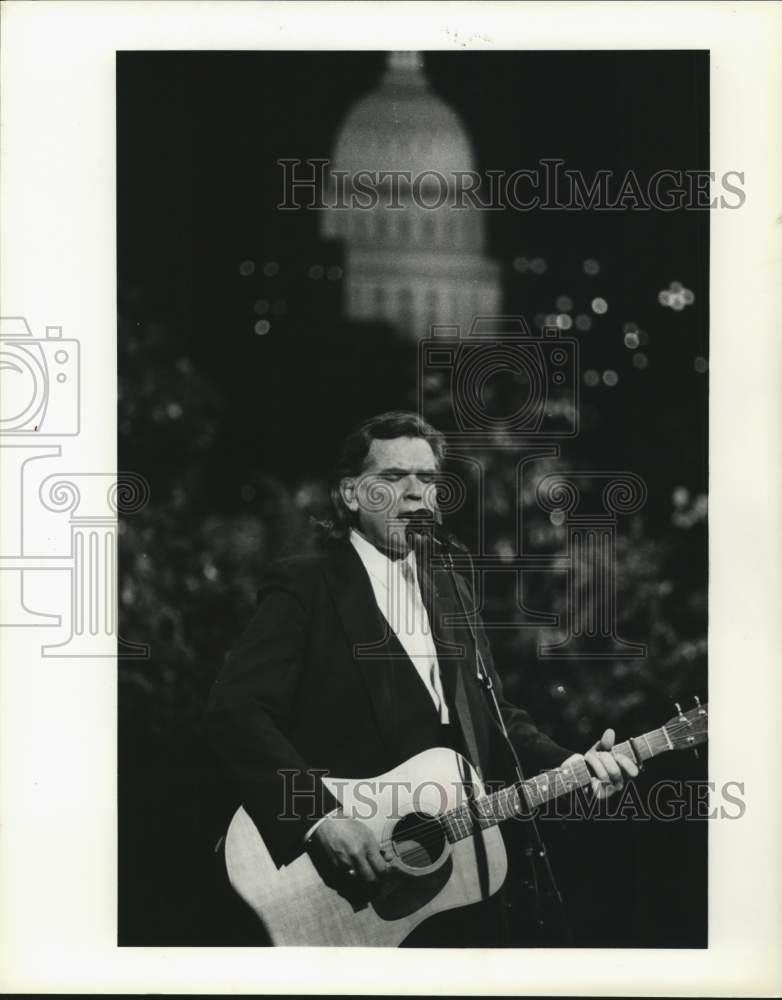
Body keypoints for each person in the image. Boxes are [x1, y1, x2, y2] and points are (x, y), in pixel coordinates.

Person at [206, 411, 638, 946]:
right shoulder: (306, 585)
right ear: (350, 494)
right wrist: (320, 820)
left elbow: (498, 725)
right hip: (340, 884)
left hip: (453, 888)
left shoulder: (451, 587)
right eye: (392, 479)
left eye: (427, 480)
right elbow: (236, 712)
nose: (415, 493)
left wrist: (573, 767)